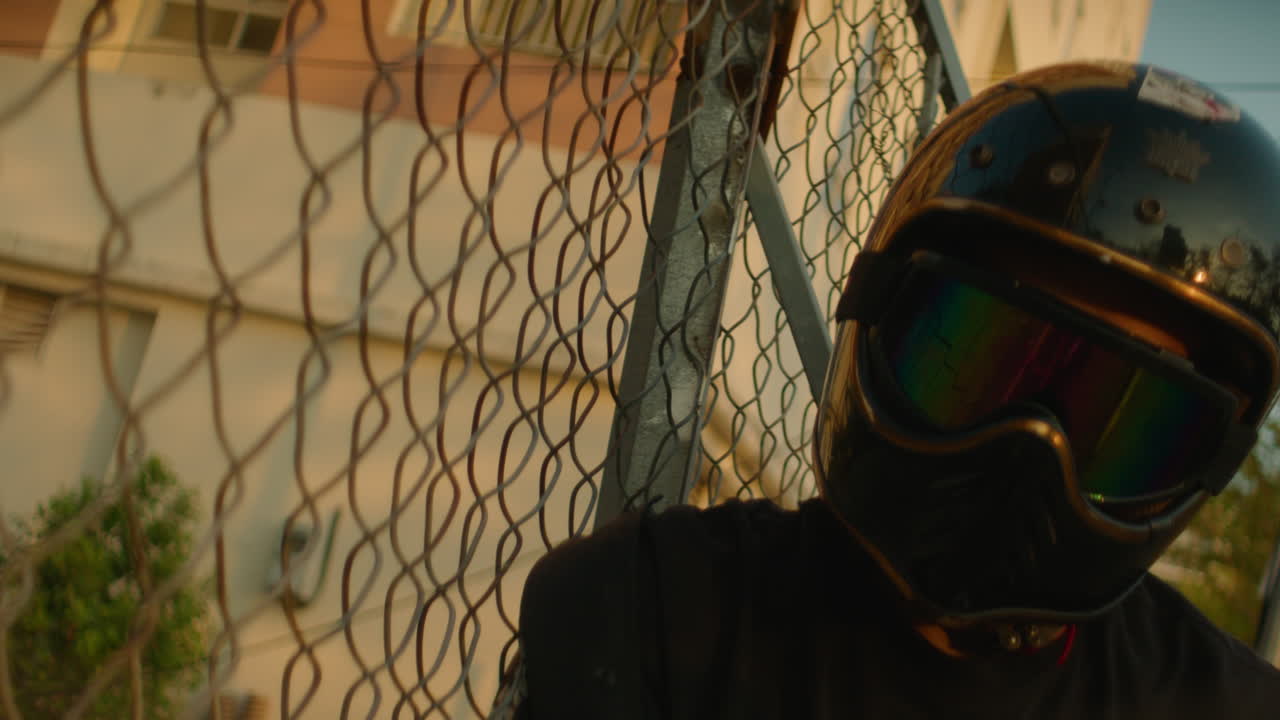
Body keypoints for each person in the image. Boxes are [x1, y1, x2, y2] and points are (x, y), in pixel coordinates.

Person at [509, 61, 1280, 718]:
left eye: (1121, 423)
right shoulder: (654, 611)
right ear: (880, 307)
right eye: (981, 359)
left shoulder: (1223, 705)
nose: (1030, 454)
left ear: (1203, 463)